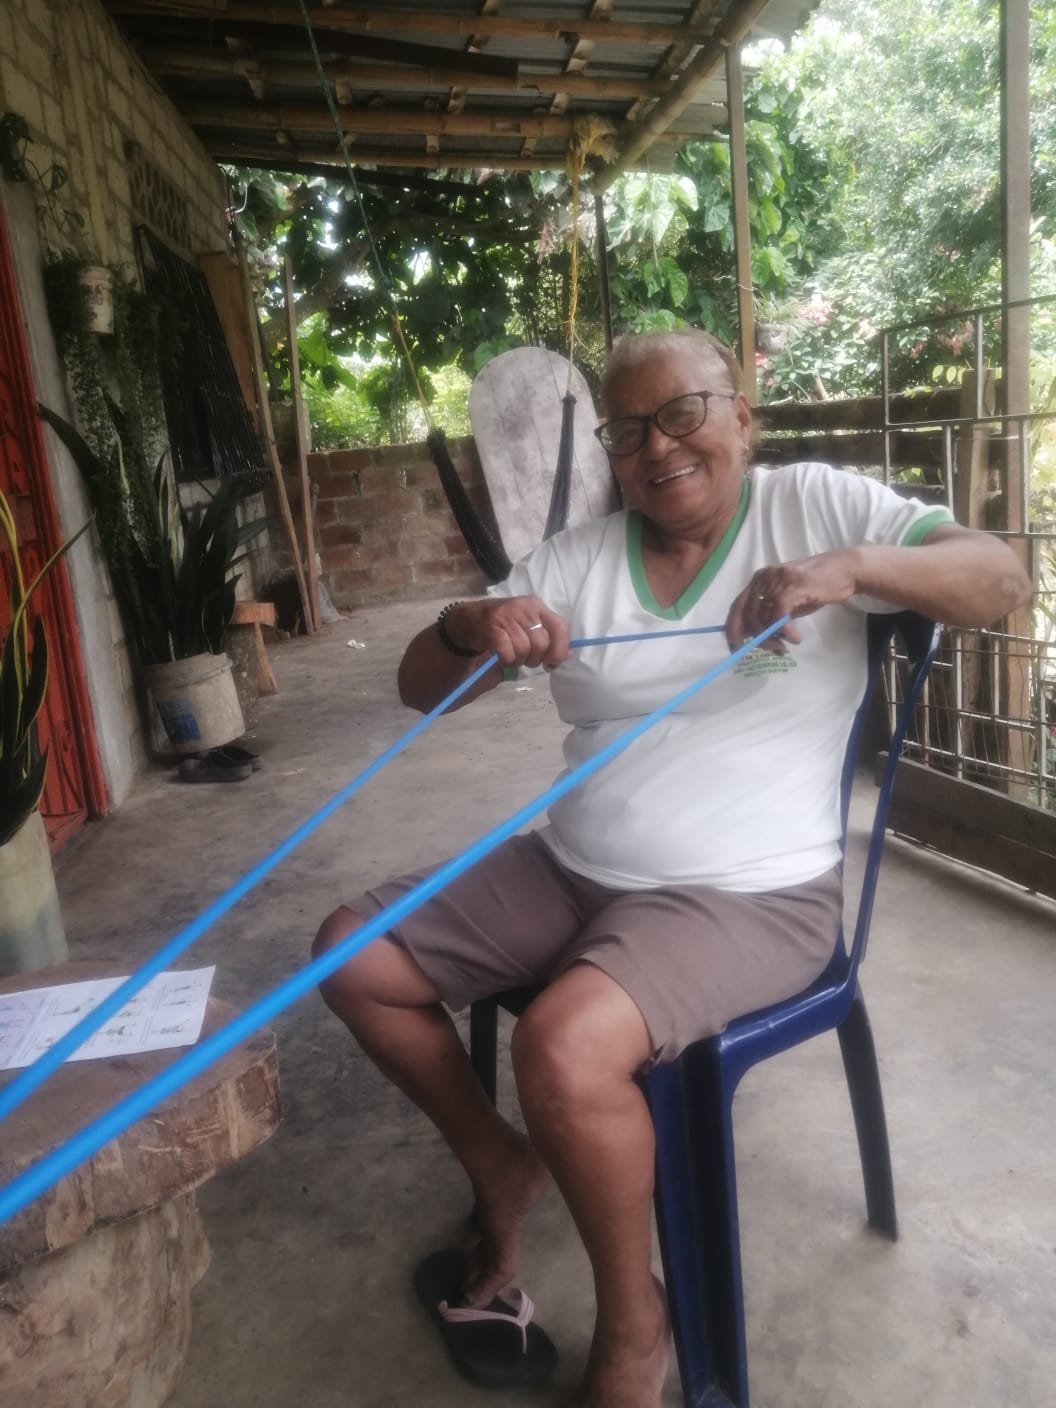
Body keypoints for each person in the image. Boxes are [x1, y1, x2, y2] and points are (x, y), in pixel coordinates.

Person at [313, 329, 1030, 1408]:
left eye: (684, 413)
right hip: (574, 864)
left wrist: (849, 569)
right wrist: (470, 623)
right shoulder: (576, 559)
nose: (659, 446)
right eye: (628, 430)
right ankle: (501, 1162)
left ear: (741, 414)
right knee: (350, 954)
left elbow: (999, 577)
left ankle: (636, 1323)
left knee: (562, 1045)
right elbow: (424, 690)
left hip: (752, 893)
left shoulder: (813, 506)